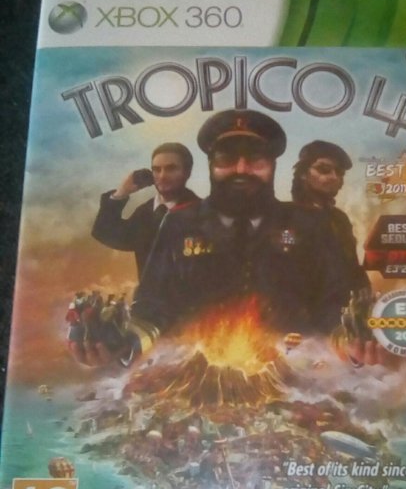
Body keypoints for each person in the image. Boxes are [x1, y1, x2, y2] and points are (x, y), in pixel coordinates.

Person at [73, 110, 352, 366]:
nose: (241, 169)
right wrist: (127, 341)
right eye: (226, 159)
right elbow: (153, 305)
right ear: (211, 165)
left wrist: (351, 339)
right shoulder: (179, 223)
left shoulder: (309, 225)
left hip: (296, 376)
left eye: (255, 160)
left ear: (272, 165)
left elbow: (333, 302)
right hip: (196, 376)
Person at [92, 142, 199, 278]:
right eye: (156, 170)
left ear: (187, 172)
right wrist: (122, 192)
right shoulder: (145, 213)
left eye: (171, 169)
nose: (162, 176)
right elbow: (105, 233)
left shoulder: (203, 213)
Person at [291, 140, 370, 293]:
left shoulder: (340, 220)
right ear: (303, 174)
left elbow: (352, 266)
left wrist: (362, 284)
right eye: (324, 169)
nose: (334, 177)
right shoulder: (285, 217)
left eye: (340, 173)